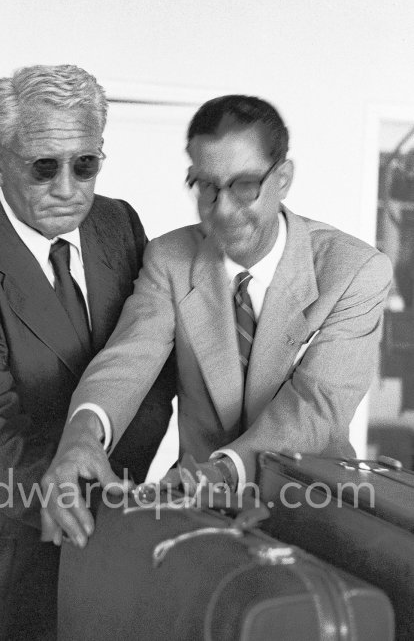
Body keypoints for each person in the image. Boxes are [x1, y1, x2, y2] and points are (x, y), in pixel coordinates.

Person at [0, 64, 174, 640]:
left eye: (85, 164)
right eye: (44, 167)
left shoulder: (119, 224)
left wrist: (111, 485)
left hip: (99, 523)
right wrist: (88, 499)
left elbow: (147, 364)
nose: (68, 189)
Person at [40, 94, 393, 548]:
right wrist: (82, 435)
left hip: (311, 507)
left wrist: (224, 469)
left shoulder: (355, 270)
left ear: (283, 178)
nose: (222, 210)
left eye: (245, 185)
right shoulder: (169, 259)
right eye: (206, 186)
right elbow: (128, 358)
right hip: (195, 507)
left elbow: (316, 406)